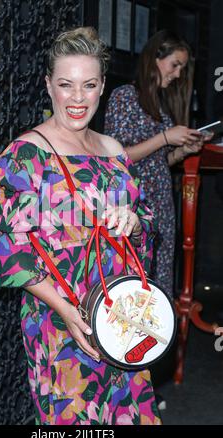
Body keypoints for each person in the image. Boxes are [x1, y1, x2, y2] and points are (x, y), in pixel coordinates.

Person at [0, 27, 161, 425]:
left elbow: (145, 223)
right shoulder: (27, 155)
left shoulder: (113, 151)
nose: (77, 98)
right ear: (49, 86)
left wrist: (131, 221)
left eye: (89, 85)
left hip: (122, 315)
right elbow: (7, 248)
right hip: (61, 321)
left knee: (131, 414)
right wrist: (66, 311)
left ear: (101, 88)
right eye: (66, 84)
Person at [104, 29, 213, 299]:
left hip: (161, 206)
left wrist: (183, 151)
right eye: (175, 65)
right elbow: (119, 157)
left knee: (159, 283)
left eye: (181, 68)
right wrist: (165, 136)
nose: (178, 74)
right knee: (134, 283)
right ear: (156, 57)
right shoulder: (124, 96)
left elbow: (158, 161)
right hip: (135, 206)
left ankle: (159, 339)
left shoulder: (158, 106)